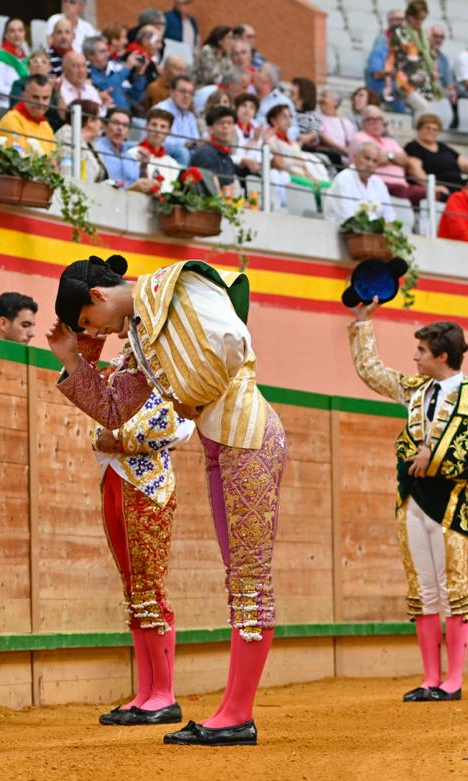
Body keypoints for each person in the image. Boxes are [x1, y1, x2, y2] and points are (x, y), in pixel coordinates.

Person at [50, 255, 287, 747]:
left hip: (249, 435)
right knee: (240, 579)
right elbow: (116, 410)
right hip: (223, 442)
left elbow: (231, 342)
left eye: (92, 324)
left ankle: (238, 714)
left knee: (248, 581)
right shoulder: (138, 333)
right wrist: (75, 361)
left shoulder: (176, 285)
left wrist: (185, 397)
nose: (102, 334)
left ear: (98, 296)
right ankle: (232, 711)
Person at [347, 308, 468, 702]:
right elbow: (372, 372)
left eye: (421, 351)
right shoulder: (416, 390)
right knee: (423, 589)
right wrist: (361, 325)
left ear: (442, 356)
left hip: (449, 502)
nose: (415, 358)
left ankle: (454, 681)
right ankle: (430, 678)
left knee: (453, 589)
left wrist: (435, 460)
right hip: (411, 499)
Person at [83, 337, 194, 727]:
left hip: (148, 485)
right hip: (115, 479)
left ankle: (163, 694)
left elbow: (180, 423)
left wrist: (118, 439)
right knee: (134, 590)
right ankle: (146, 693)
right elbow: (95, 421)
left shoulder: (165, 367)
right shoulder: (119, 368)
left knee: (149, 586)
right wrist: (105, 437)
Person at [350, 105, 426, 204]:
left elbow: (405, 160)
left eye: (379, 120)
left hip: (402, 186)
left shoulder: (390, 141)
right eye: (371, 120)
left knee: (435, 194)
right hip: (376, 183)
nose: (376, 123)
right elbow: (376, 158)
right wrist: (394, 159)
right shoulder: (359, 137)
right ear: (363, 123)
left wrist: (388, 157)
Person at [384, 0, 439, 114]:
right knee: (424, 109)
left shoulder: (423, 35)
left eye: (422, 19)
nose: (419, 22)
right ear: (409, 16)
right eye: (417, 18)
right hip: (405, 81)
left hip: (423, 80)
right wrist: (389, 85)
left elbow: (431, 56)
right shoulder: (400, 33)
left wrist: (433, 70)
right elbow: (391, 59)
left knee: (425, 113)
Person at [405, 113, 468, 199]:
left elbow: (467, 165)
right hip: (440, 189)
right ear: (419, 129)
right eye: (428, 128)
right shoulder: (413, 147)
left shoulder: (443, 147)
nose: (431, 132)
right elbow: (415, 171)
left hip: (460, 186)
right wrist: (433, 187)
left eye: (435, 129)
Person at [325, 142, 394, 225]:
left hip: (372, 234)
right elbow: (347, 218)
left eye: (375, 161)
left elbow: (390, 216)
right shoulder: (343, 178)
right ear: (355, 158)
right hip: (339, 232)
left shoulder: (378, 182)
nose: (370, 164)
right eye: (367, 158)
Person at [0, 74, 59, 154]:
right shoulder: (12, 120)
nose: (40, 103)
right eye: (35, 97)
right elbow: (18, 161)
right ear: (24, 96)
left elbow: (53, 161)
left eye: (45, 98)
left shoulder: (45, 126)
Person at [153, 74, 201, 166]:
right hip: (161, 151)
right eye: (183, 91)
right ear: (171, 92)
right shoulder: (161, 110)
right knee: (183, 152)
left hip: (186, 153)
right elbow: (158, 139)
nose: (186, 96)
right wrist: (185, 143)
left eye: (190, 93)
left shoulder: (190, 116)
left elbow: (196, 141)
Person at [56, 100, 108, 183]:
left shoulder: (92, 145)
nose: (101, 124)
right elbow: (66, 171)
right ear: (90, 121)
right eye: (100, 119)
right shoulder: (68, 134)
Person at [131, 108, 181, 190]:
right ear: (146, 127)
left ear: (169, 132)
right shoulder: (132, 154)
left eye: (163, 127)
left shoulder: (172, 164)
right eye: (154, 125)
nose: (157, 130)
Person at [0, 18, 28, 108]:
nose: (17, 34)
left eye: (20, 30)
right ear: (5, 35)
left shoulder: (26, 60)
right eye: (12, 31)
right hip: (1, 106)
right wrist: (24, 95)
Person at [95, 108, 142, 188]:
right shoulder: (96, 149)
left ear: (128, 131)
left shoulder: (131, 158)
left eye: (125, 125)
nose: (120, 128)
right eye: (115, 123)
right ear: (104, 126)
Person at [366, 9, 405, 102]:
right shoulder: (381, 43)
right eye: (397, 19)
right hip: (383, 87)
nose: (400, 23)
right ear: (390, 21)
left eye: (402, 20)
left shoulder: (404, 46)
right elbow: (379, 71)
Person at [314, 89, 357, 166]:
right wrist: (345, 150)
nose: (320, 99)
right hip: (326, 157)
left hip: (343, 160)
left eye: (324, 96)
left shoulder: (346, 123)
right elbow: (323, 137)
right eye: (320, 96)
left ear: (335, 102)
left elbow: (351, 143)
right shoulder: (316, 118)